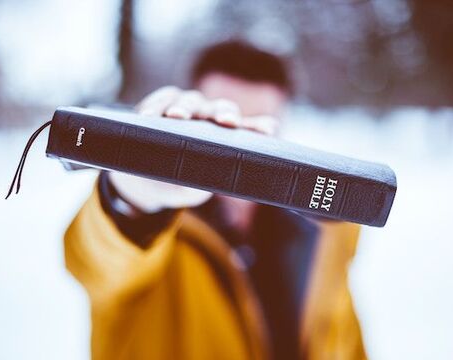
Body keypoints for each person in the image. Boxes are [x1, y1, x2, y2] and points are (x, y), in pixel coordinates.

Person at [65, 41, 366, 360]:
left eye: (259, 126)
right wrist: (133, 194)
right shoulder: (154, 236)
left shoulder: (322, 235)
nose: (243, 147)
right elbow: (97, 259)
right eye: (225, 125)